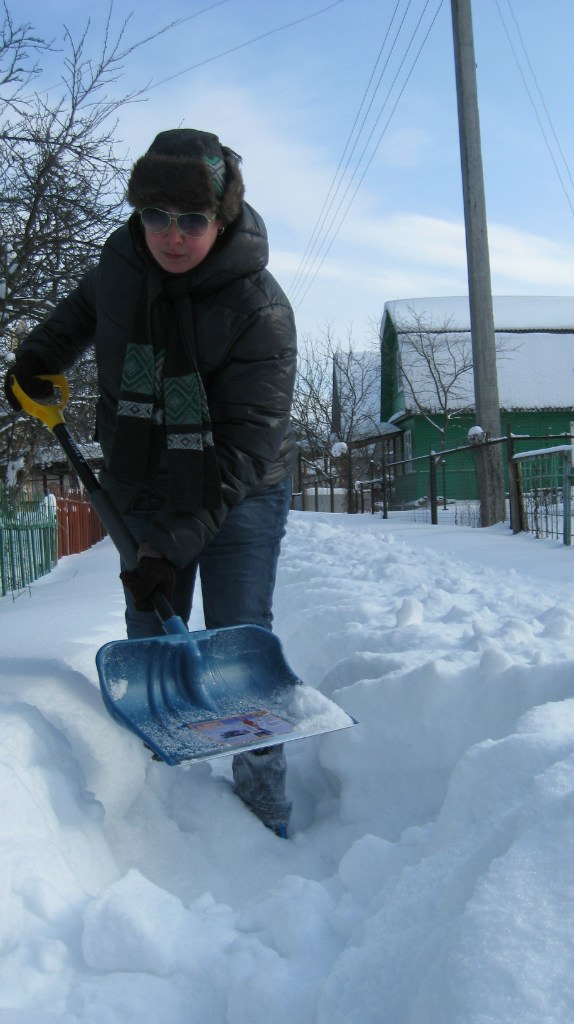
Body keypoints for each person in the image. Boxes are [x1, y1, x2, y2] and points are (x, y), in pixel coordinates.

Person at [4, 129, 297, 837]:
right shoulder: (122, 263)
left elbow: (244, 446)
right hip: (141, 471)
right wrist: (38, 357)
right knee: (149, 633)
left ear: (222, 219)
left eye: (192, 219)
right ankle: (152, 798)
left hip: (240, 486)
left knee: (237, 635)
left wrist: (170, 542)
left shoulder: (259, 309)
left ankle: (263, 800)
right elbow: (81, 313)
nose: (172, 235)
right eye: (155, 215)